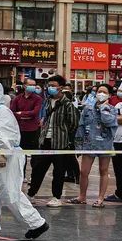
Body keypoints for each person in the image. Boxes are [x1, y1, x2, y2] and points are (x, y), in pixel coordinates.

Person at [0, 80, 49, 239]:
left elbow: (6, 134)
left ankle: (36, 223)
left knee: (10, 192)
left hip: (2, 158)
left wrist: (3, 153)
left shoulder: (1, 111)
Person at [27, 76, 79, 207]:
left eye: (53, 85)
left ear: (60, 87)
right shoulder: (46, 101)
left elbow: (73, 124)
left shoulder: (67, 104)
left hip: (60, 143)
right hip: (45, 141)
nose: (50, 87)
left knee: (59, 172)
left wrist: (62, 132)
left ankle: (56, 197)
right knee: (38, 169)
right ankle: (31, 194)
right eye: (49, 85)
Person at [71, 84, 118, 208]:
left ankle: (100, 198)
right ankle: (82, 196)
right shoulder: (87, 109)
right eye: (99, 91)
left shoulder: (112, 109)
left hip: (105, 144)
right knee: (84, 171)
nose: (101, 94)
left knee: (103, 170)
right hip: (89, 144)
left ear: (109, 95)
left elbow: (108, 121)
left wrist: (103, 108)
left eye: (104, 92)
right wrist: (78, 144)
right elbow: (81, 126)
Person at [10, 78, 43, 151]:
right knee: (20, 150)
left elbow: (35, 112)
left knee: (33, 151)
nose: (33, 87)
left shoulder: (38, 99)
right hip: (19, 128)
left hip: (33, 129)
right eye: (30, 85)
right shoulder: (17, 98)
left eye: (34, 85)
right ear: (24, 86)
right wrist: (26, 115)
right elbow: (12, 112)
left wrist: (21, 113)